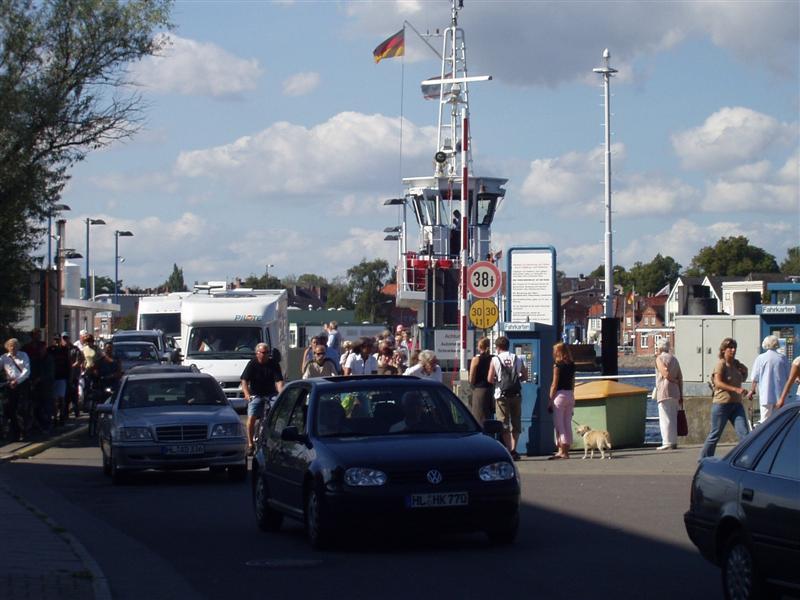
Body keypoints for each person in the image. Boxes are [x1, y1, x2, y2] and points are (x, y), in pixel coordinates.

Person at [700, 337, 750, 459]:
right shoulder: (721, 364)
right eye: (730, 348)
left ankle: (747, 459)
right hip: (722, 404)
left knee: (744, 434)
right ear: (723, 350)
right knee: (715, 434)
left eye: (734, 348)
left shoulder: (736, 364)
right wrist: (735, 389)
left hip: (736, 404)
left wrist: (745, 372)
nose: (733, 350)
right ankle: (704, 459)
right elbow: (718, 383)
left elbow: (741, 379)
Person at [487, 336, 527, 461]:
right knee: (516, 421)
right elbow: (525, 376)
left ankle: (509, 450)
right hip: (516, 394)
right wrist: (515, 380)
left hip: (501, 395)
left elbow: (489, 379)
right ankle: (514, 449)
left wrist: (498, 381)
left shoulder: (495, 359)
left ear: (498, 347)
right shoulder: (517, 358)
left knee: (503, 423)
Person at [241, 342, 284, 454]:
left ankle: (276, 440)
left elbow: (279, 381)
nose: (265, 355)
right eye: (263, 353)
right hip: (256, 394)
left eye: (267, 353)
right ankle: (250, 444)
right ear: (257, 353)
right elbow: (244, 380)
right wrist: (246, 394)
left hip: (271, 393)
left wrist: (281, 393)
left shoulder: (273, 364)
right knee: (251, 417)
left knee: (278, 413)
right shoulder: (252, 363)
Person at [748, 335, 789, 423]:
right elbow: (788, 377)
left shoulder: (760, 358)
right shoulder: (783, 358)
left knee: (765, 421)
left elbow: (755, 377)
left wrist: (752, 390)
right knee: (780, 421)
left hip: (766, 395)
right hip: (780, 396)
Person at [654, 339, 684, 450]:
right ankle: (673, 441)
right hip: (675, 392)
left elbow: (665, 373)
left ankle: (666, 442)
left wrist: (672, 380)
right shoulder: (674, 359)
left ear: (660, 347)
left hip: (664, 390)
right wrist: (681, 393)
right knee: (673, 418)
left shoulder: (659, 359)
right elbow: (680, 377)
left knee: (665, 418)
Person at [548, 342, 576, 459]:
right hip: (570, 394)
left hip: (559, 396)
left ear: (557, 352)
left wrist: (550, 400)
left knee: (559, 424)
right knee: (567, 423)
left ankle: (562, 451)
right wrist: (572, 394)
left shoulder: (557, 366)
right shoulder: (572, 365)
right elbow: (573, 381)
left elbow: (554, 384)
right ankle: (565, 451)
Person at [2, 338, 31, 441]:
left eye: (15, 346)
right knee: (10, 408)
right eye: (11, 346)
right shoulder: (3, 358)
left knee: (20, 409)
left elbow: (27, 371)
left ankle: (23, 432)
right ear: (7, 347)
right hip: (10, 385)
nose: (13, 348)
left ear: (18, 347)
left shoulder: (23, 355)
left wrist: (17, 381)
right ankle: (14, 433)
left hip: (22, 384)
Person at [468, 337, 494, 423]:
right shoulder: (493, 358)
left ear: (479, 347)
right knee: (490, 416)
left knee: (478, 417)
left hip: (479, 390)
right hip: (491, 389)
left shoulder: (476, 359)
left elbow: (471, 378)